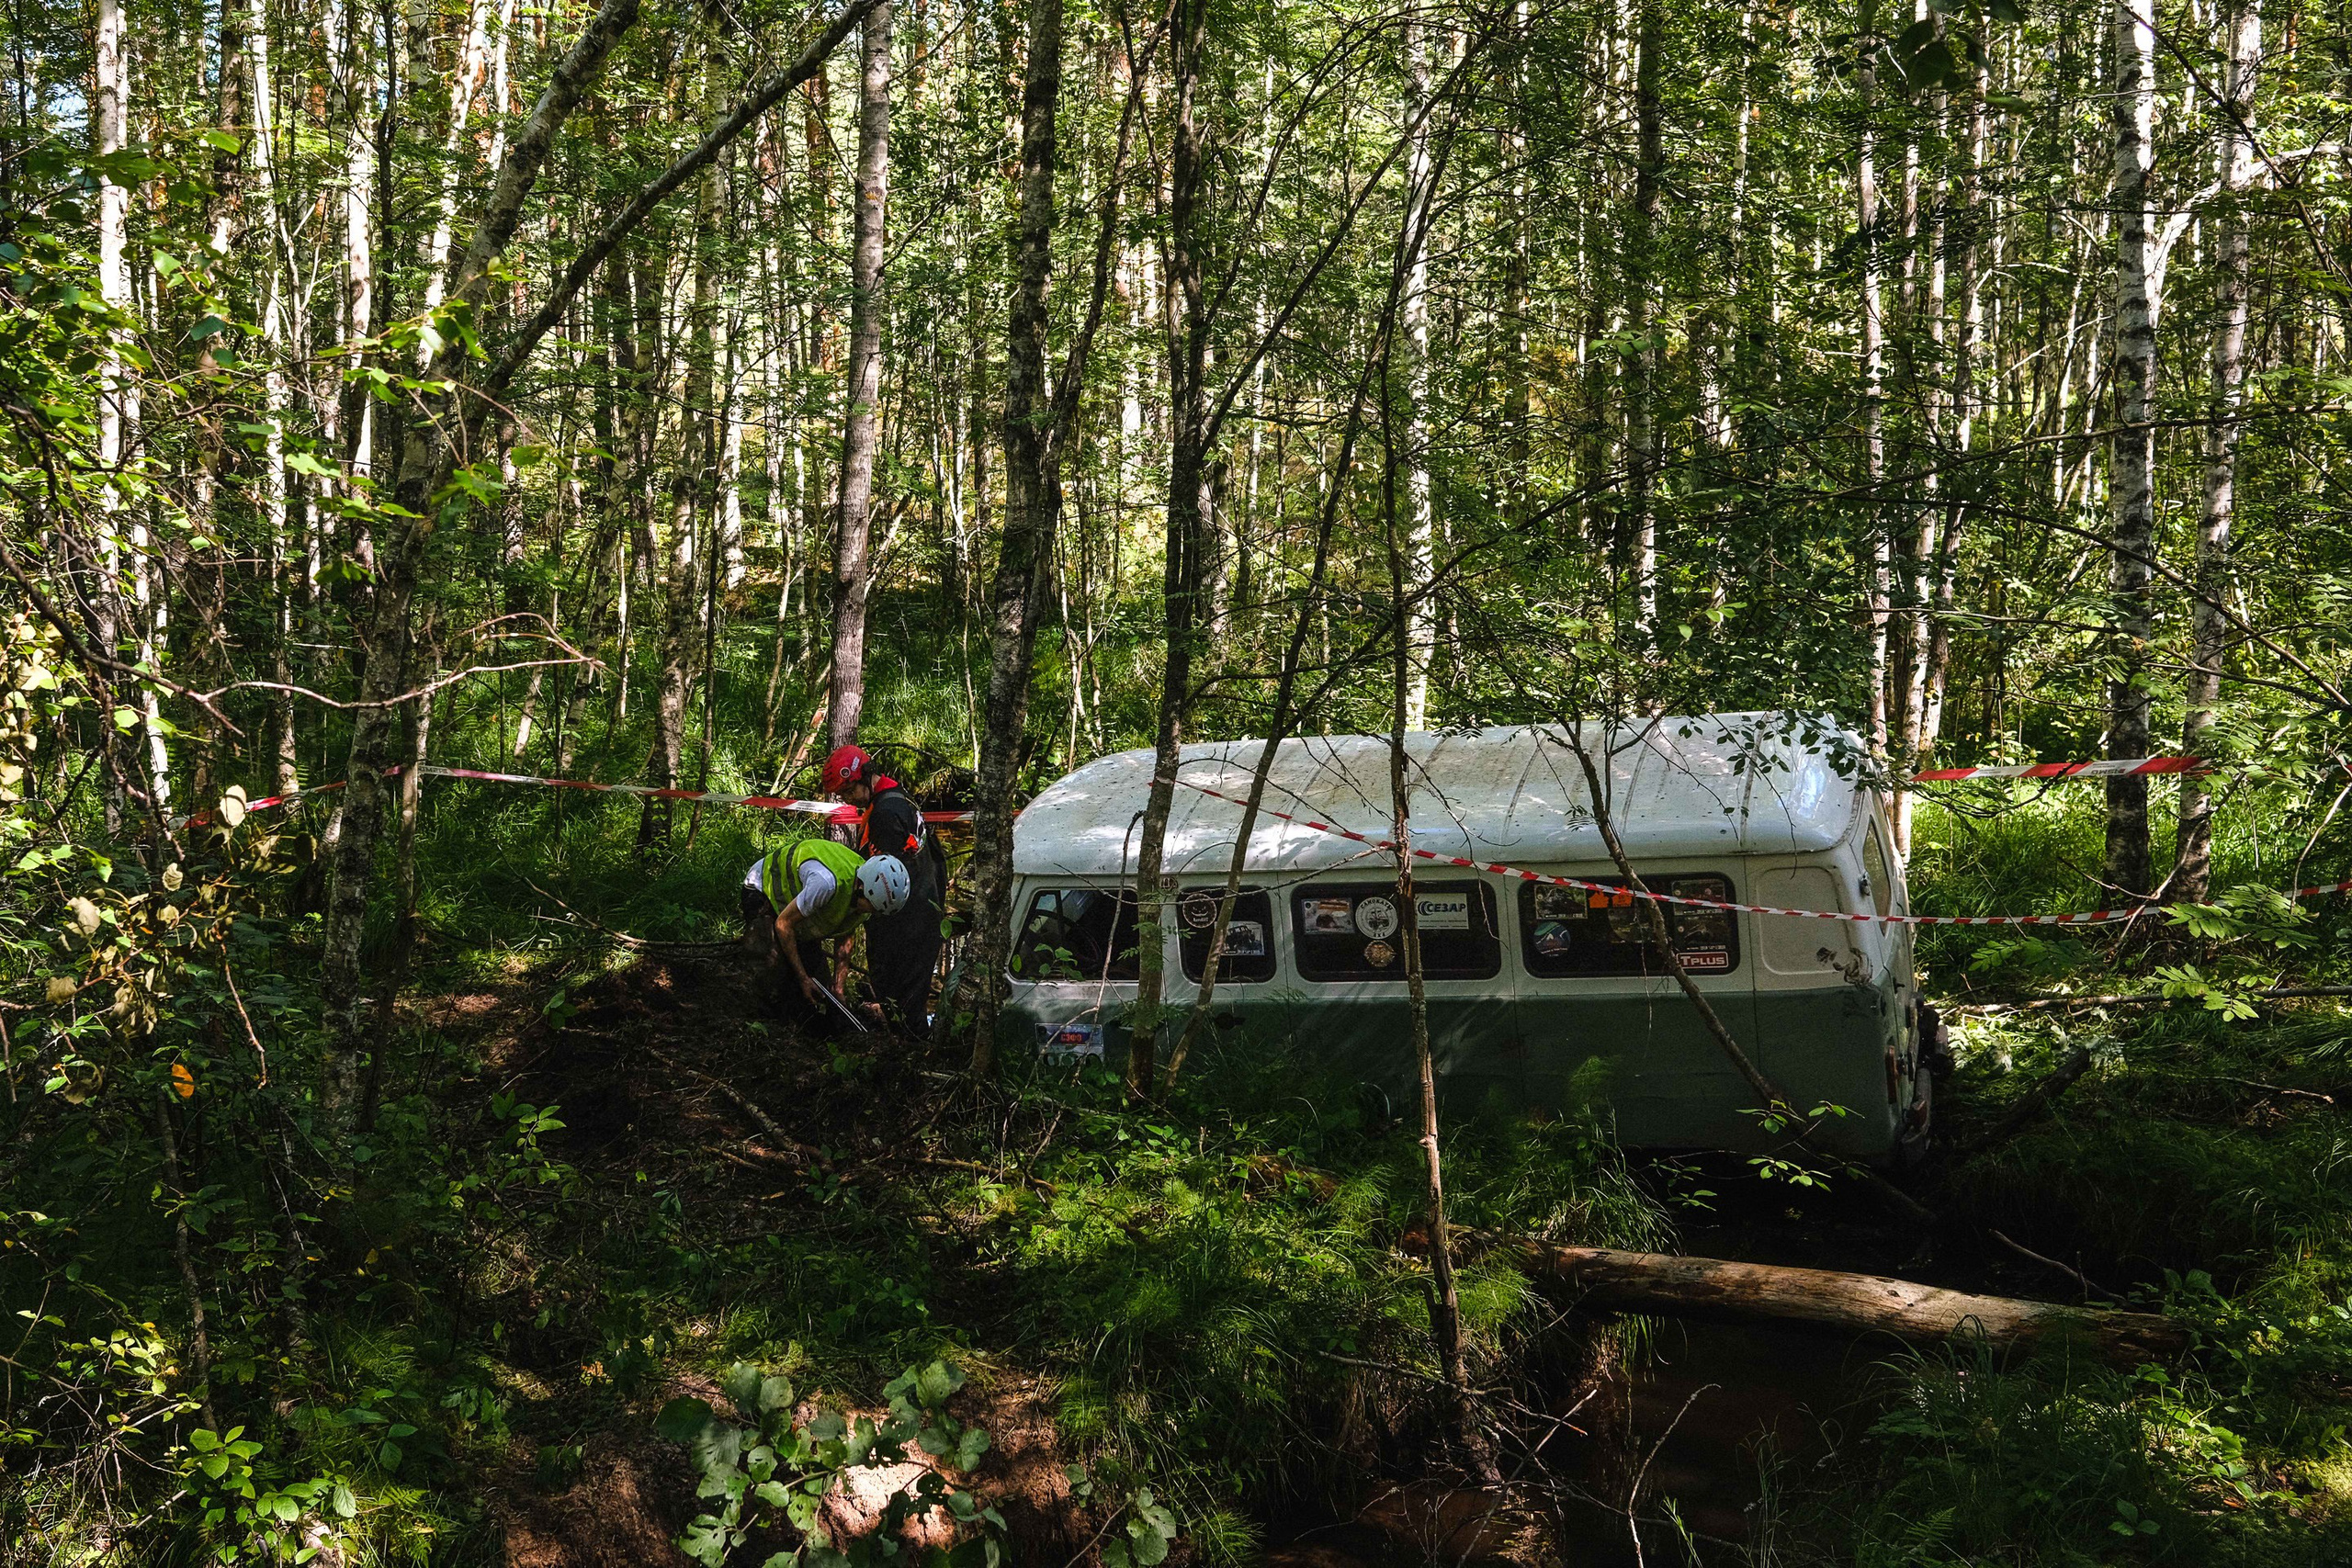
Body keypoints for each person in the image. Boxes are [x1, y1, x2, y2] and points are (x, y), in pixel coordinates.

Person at [822, 743, 946, 1035]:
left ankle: (912, 1053)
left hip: (907, 925)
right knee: (906, 1000)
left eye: (849, 792)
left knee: (901, 1001)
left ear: (864, 777)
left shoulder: (885, 814)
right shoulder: (898, 795)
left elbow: (883, 883)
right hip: (924, 911)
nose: (849, 800)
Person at [741, 835, 911, 1031]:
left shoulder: (864, 896)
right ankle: (765, 1026)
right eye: (871, 907)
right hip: (763, 892)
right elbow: (783, 924)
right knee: (775, 975)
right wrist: (802, 977)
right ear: (862, 888)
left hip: (797, 913)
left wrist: (838, 988)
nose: (871, 913)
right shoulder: (826, 883)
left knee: (820, 997)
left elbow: (845, 936)